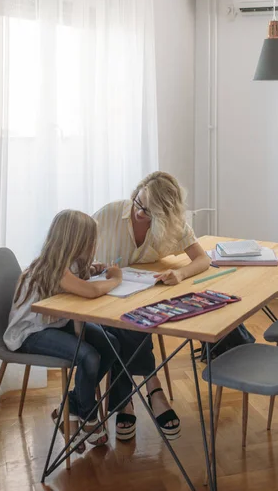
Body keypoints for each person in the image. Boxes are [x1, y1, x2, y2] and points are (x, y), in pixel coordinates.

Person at [93, 171, 210, 442]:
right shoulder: (109, 214)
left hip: (138, 297)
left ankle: (124, 402)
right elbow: (74, 256)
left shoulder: (173, 224)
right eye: (138, 201)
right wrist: (93, 267)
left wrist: (179, 274)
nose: (138, 211)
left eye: (147, 210)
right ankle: (152, 386)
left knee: (132, 323)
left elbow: (202, 260)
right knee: (128, 325)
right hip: (100, 299)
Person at [4, 209, 122, 453]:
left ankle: (70, 406)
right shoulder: (53, 268)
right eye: (89, 240)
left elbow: (79, 285)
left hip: (55, 322)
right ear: (75, 241)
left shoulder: (70, 264)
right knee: (89, 356)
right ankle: (88, 418)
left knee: (111, 345)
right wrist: (115, 279)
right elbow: (88, 292)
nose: (93, 244)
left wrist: (91, 271)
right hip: (31, 332)